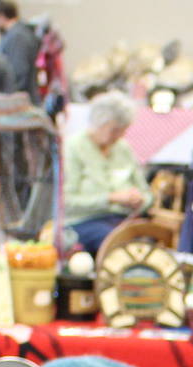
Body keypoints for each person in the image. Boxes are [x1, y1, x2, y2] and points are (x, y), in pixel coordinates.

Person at [63, 91, 151, 254]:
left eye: (123, 130)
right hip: (82, 222)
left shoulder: (123, 148)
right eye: (114, 130)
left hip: (124, 221)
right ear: (99, 123)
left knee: (150, 240)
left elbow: (146, 194)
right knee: (116, 242)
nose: (119, 136)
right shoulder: (73, 148)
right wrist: (110, 198)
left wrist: (139, 200)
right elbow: (66, 202)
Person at [0, 0, 43, 105]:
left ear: (0, 15)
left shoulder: (17, 36)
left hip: (20, 104)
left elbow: (19, 72)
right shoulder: (16, 34)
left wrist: (8, 102)